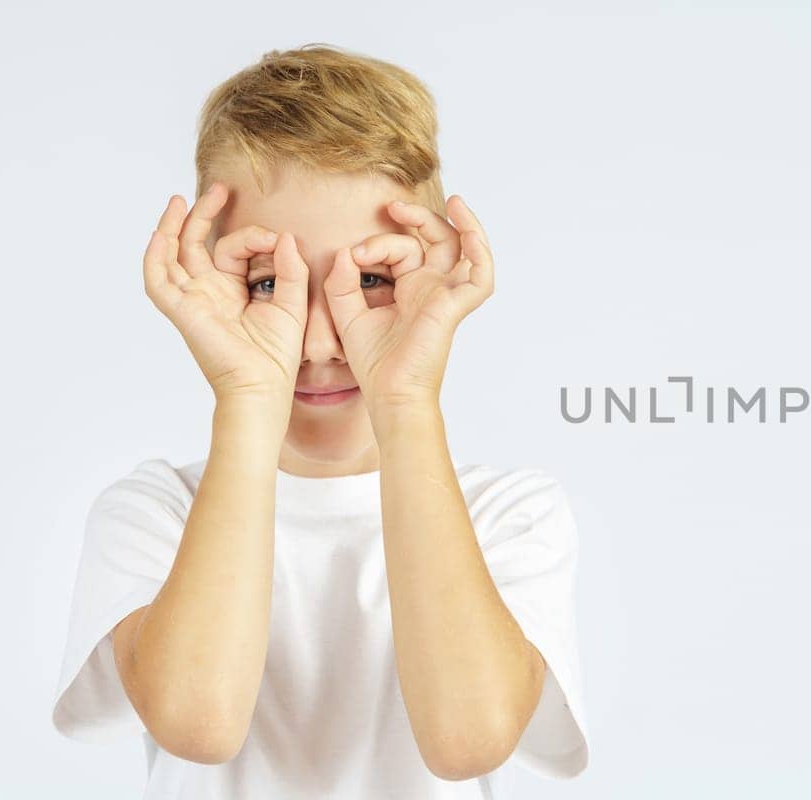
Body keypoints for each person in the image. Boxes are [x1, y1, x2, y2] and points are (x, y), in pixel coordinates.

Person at [48, 44, 590, 798]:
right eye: (269, 280)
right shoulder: (154, 513)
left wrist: (406, 400)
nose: (317, 342)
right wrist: (245, 395)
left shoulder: (509, 515)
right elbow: (198, 723)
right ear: (206, 274)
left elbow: (468, 739)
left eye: (371, 279)